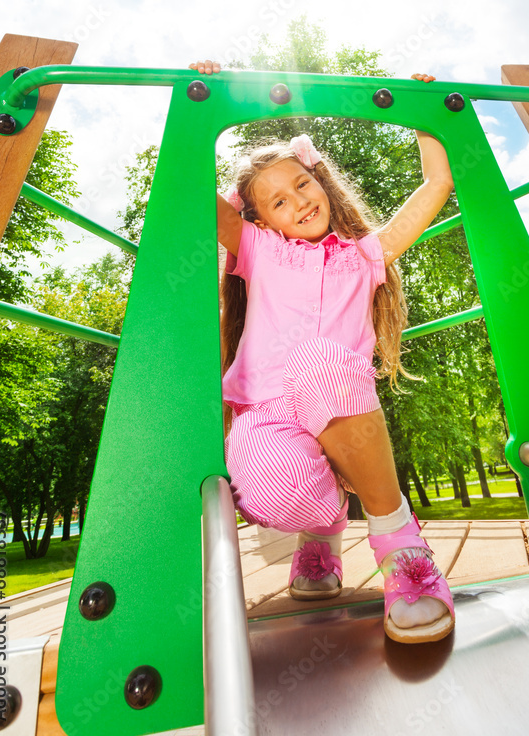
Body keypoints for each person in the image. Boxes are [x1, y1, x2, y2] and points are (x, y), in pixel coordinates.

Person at [189, 59, 456, 643]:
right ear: (261, 219)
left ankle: (402, 547)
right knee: (266, 484)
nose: (298, 202)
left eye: (301, 184)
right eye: (278, 202)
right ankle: (322, 530)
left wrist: (425, 116)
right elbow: (193, 188)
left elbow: (436, 186)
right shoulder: (259, 251)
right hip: (271, 414)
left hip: (340, 403)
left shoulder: (367, 256)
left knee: (320, 360)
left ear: (322, 181)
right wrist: (200, 98)